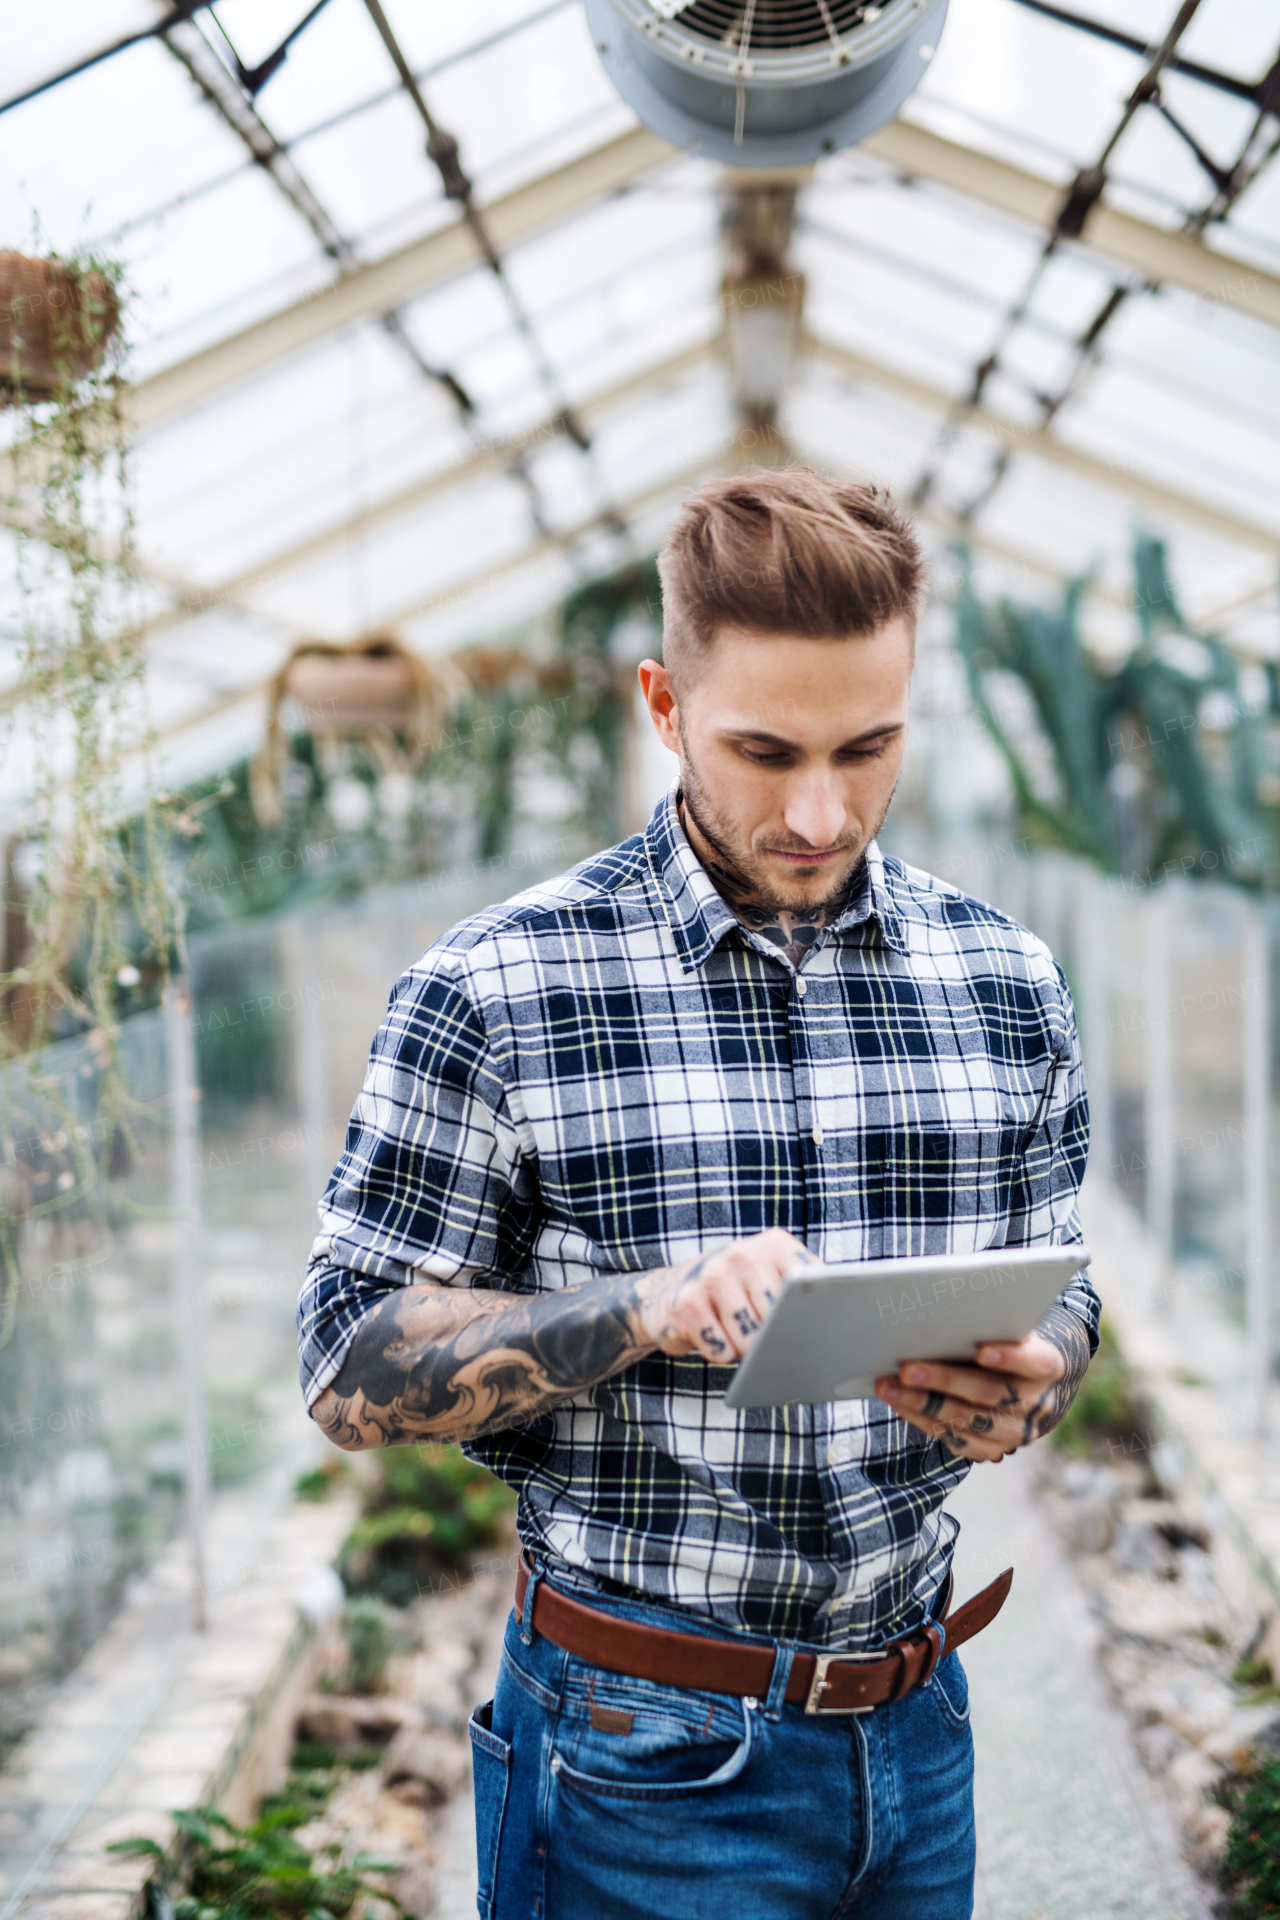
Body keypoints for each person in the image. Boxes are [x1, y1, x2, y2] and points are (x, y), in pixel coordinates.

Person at [297, 466, 1097, 1920]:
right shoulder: (497, 994)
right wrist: (647, 1310)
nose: (817, 808)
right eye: (764, 748)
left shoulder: (1008, 985)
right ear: (664, 706)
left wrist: (1035, 1382)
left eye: (869, 748)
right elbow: (349, 1370)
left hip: (920, 1739)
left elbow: (1066, 1285)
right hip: (639, 1763)